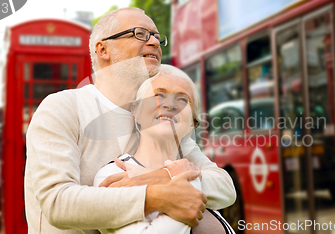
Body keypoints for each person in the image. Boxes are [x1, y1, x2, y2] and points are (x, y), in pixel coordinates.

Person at [25, 7, 236, 234]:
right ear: (103, 49)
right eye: (140, 34)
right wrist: (155, 196)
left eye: (156, 37)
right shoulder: (63, 107)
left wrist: (152, 179)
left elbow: (224, 187)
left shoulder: (159, 120)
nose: (154, 42)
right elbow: (57, 203)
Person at [93, 65, 234, 234]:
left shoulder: (195, 171)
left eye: (182, 99)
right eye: (159, 95)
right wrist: (184, 178)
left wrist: (164, 176)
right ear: (136, 111)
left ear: (192, 124)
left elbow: (227, 190)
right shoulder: (113, 175)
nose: (170, 105)